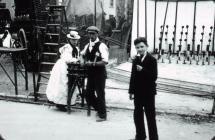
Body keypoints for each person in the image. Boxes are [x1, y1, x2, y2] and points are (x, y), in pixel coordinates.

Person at [129, 37, 158, 140]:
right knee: (137, 115)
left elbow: (154, 77)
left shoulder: (152, 60)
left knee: (150, 117)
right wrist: (131, 91)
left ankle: (154, 138)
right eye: (137, 47)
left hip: (149, 93)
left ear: (146, 46)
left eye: (142, 47)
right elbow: (133, 76)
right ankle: (140, 136)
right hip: (138, 92)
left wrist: (143, 70)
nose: (140, 49)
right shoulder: (136, 59)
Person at [46, 31, 80, 111]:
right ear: (69, 40)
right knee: (62, 83)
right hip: (63, 67)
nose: (75, 42)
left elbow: (77, 56)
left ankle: (66, 102)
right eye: (73, 40)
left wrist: (78, 59)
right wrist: (76, 60)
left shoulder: (76, 49)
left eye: (76, 40)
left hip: (71, 67)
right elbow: (67, 58)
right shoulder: (67, 47)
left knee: (70, 84)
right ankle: (60, 104)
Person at [80, 26, 109, 122]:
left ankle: (103, 115)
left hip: (100, 74)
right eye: (90, 33)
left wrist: (93, 63)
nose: (91, 35)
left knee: (100, 94)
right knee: (88, 94)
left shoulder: (102, 46)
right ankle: (100, 109)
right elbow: (82, 54)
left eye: (93, 34)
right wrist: (82, 61)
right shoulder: (87, 45)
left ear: (97, 34)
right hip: (91, 74)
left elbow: (105, 61)